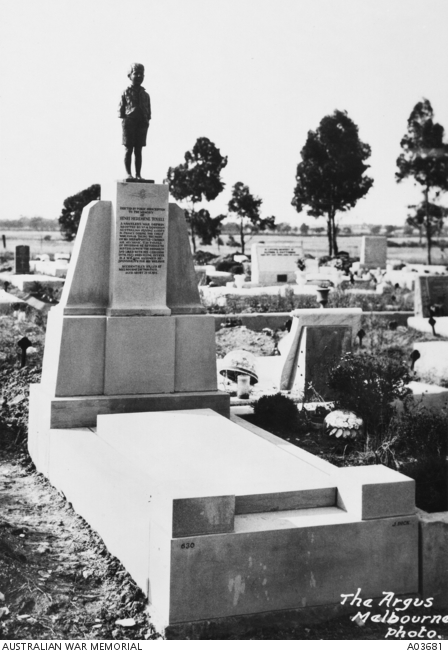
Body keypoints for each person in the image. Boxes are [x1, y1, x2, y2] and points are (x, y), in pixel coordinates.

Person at [118, 63, 151, 180]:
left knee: (139, 149)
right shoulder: (125, 92)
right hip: (129, 122)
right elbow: (120, 111)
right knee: (128, 148)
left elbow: (149, 111)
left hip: (142, 123)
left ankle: (138, 174)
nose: (138, 76)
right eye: (135, 73)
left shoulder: (146, 95)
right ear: (129, 75)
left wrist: (146, 120)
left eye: (141, 74)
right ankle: (128, 173)